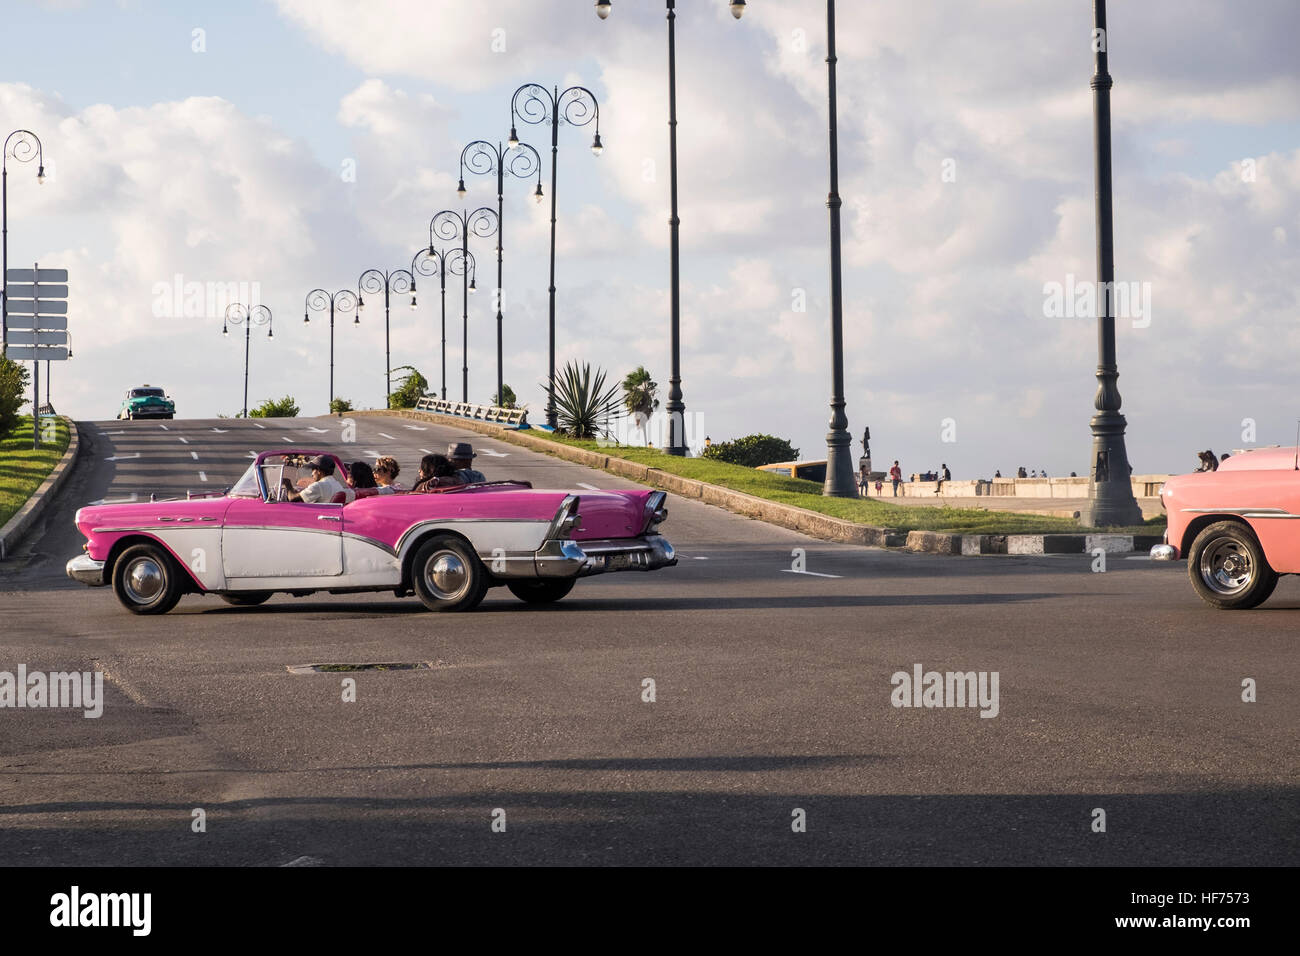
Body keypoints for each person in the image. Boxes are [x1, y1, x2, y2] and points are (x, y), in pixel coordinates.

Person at [282, 455, 352, 503]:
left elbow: (292, 498)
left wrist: (288, 484)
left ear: (318, 470)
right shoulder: (337, 484)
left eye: (312, 470)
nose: (312, 474)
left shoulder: (319, 486)